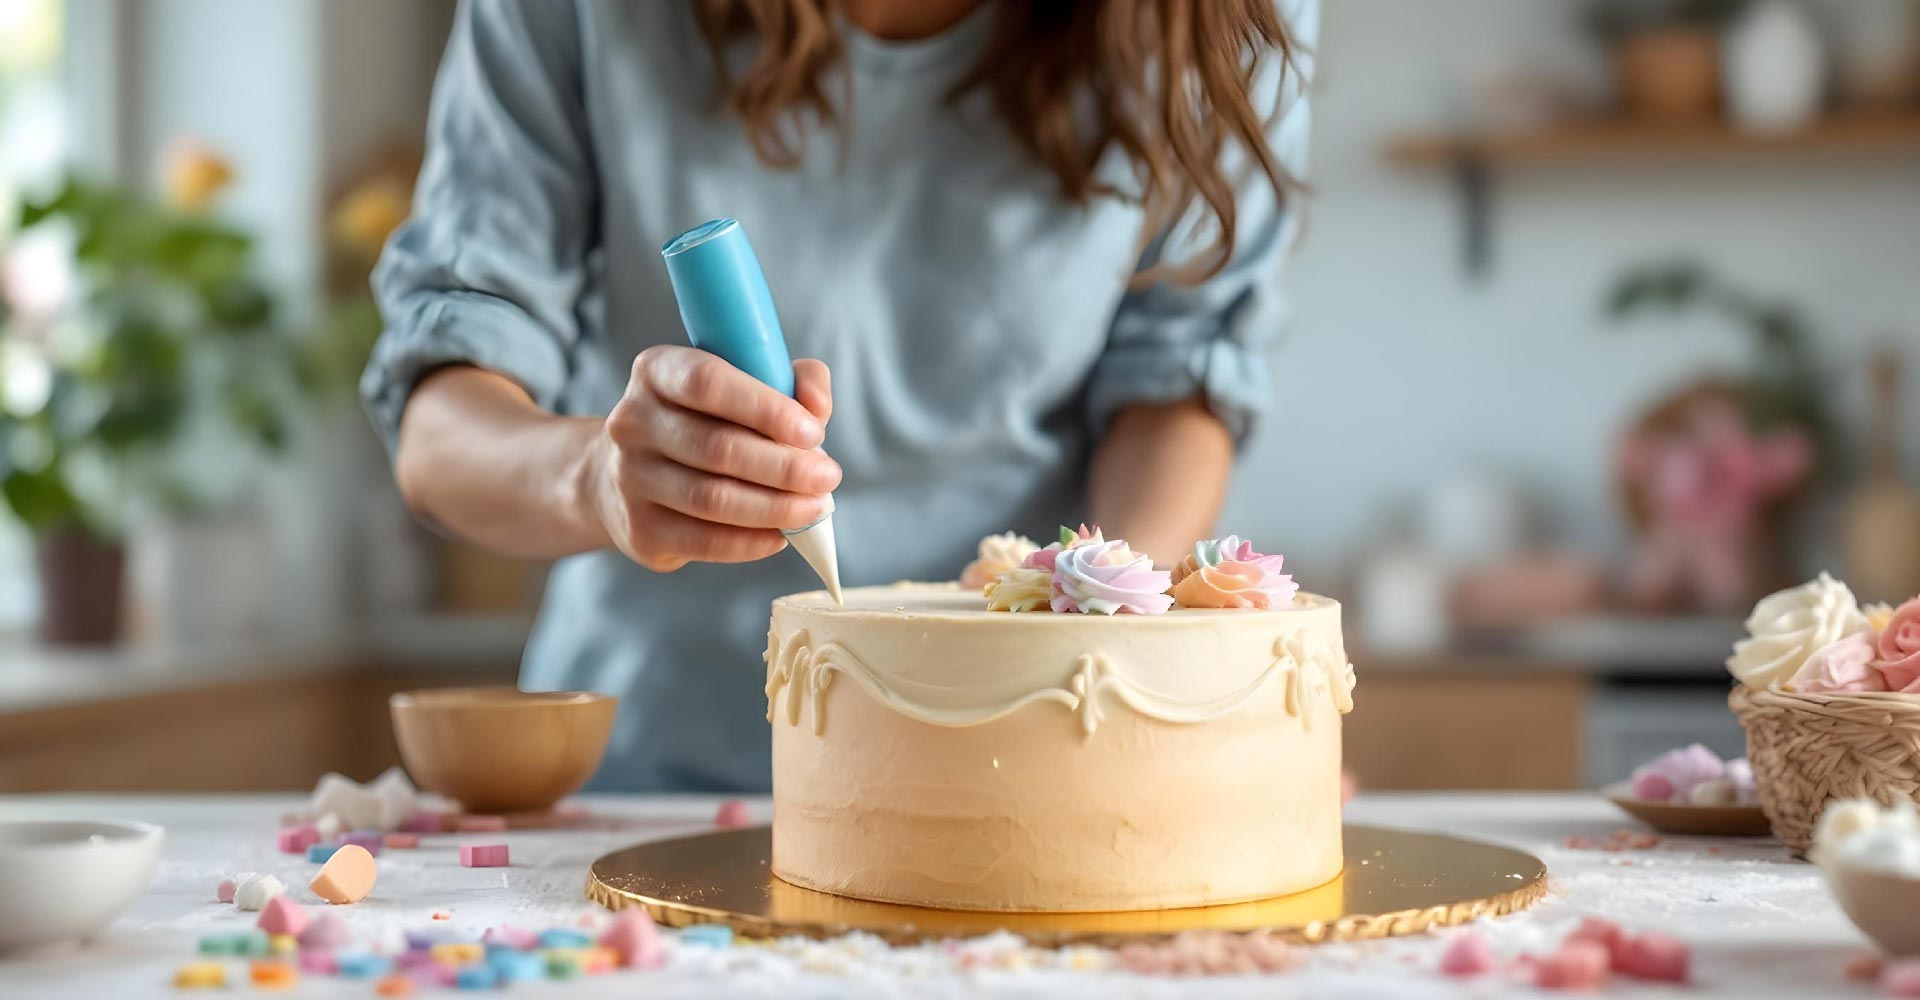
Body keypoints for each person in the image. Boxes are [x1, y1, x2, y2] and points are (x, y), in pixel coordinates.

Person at [362, 0, 1316, 791]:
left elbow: (1179, 375)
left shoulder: (1207, 21)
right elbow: (440, 428)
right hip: (650, 778)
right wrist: (596, 478)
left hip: (1028, 763)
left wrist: (1108, 662)